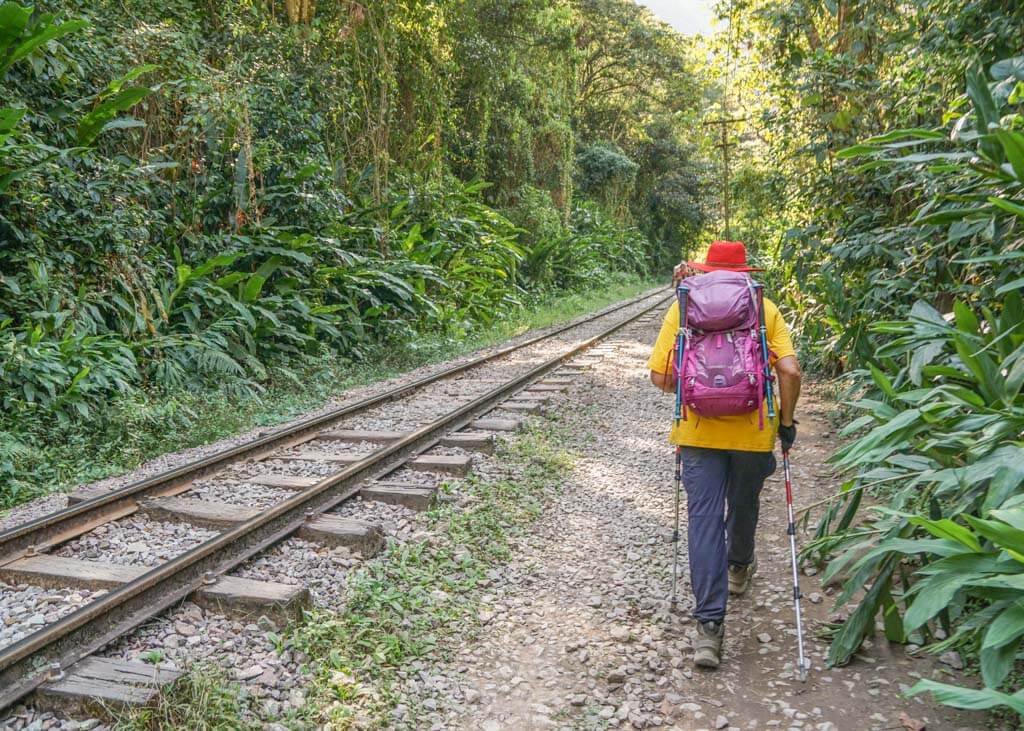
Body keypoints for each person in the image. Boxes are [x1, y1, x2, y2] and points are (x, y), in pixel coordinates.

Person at [647, 240, 802, 669]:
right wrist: (786, 423)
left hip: (696, 433)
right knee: (745, 502)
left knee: (704, 519)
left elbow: (660, 376)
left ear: (707, 271)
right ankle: (739, 567)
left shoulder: (683, 307)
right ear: (745, 274)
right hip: (754, 434)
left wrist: (697, 386)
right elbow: (789, 371)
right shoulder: (764, 308)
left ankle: (709, 628)